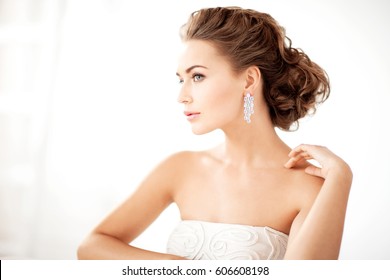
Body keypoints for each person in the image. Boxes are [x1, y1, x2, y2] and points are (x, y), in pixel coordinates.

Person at [77, 6, 352, 260]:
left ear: (249, 80)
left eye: (197, 76)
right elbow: (92, 246)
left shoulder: (308, 186)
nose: (182, 96)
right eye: (181, 79)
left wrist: (341, 177)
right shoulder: (180, 168)